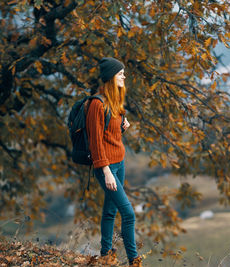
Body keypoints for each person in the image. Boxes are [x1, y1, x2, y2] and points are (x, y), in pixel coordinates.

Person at [86, 57, 142, 267]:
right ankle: (134, 261)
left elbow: (110, 137)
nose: (124, 76)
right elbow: (95, 141)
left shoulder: (115, 101)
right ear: (111, 76)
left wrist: (121, 128)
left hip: (119, 163)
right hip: (107, 167)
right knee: (128, 214)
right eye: (120, 73)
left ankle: (105, 256)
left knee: (110, 212)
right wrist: (106, 171)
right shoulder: (96, 104)